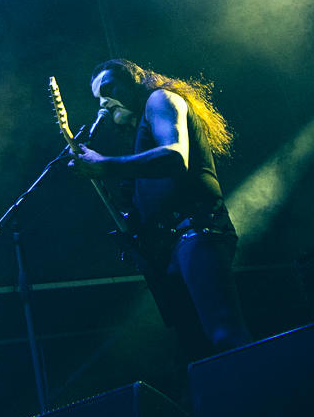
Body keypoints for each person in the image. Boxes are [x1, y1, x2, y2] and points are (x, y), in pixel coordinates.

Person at [69, 59, 253, 365]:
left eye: (109, 88)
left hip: (195, 229)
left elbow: (175, 156)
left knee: (225, 334)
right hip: (172, 246)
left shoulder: (160, 98)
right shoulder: (139, 136)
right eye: (98, 97)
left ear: (135, 81)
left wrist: (105, 166)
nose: (103, 101)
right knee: (198, 351)